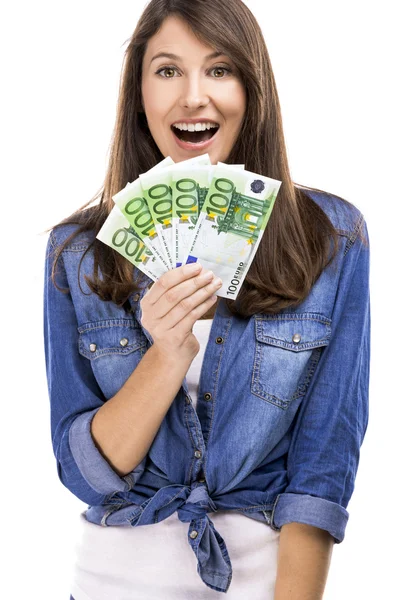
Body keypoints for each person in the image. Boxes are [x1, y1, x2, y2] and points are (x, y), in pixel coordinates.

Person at [43, 0, 370, 598]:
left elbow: (324, 465)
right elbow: (86, 474)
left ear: (253, 88)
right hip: (111, 583)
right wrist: (166, 354)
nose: (195, 96)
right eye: (168, 70)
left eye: (220, 69)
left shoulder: (332, 237)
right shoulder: (77, 253)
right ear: (138, 92)